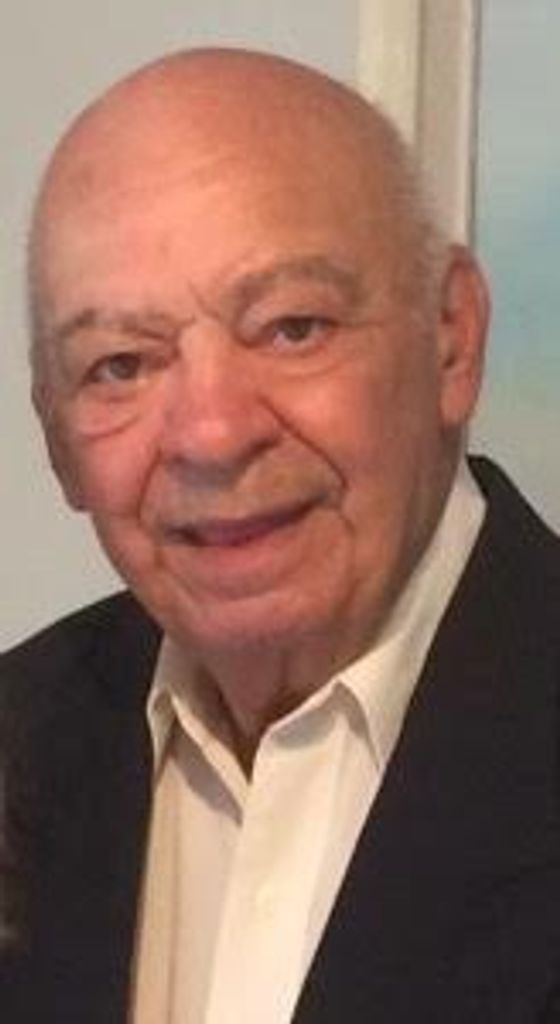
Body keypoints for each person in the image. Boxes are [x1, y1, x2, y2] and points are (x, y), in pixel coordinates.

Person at [1, 47, 559, 1024]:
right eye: (121, 365)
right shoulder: (18, 745)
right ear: (57, 440)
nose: (213, 434)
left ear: (451, 339)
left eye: (291, 328)